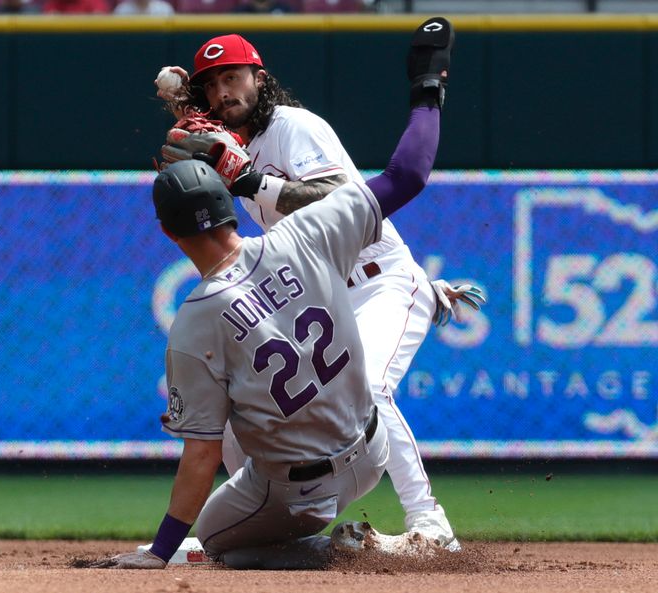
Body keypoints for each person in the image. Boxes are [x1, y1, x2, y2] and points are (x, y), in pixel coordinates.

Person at [92, 23, 447, 568]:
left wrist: (247, 178)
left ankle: (431, 529)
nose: (222, 93)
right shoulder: (234, 148)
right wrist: (219, 167)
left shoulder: (292, 126)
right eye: (211, 86)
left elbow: (337, 197)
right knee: (242, 408)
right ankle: (268, 524)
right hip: (321, 291)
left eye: (233, 78)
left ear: (260, 78)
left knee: (370, 390)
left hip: (378, 280)